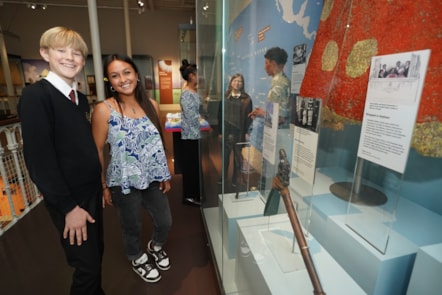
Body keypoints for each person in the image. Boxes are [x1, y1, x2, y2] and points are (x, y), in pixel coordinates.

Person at [18, 27, 105, 295]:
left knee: (95, 256)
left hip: (90, 192)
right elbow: (39, 160)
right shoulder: (36, 97)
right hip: (70, 200)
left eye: (77, 52)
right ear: (45, 53)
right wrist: (69, 207)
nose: (70, 57)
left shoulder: (78, 99)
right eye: (61, 50)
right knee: (86, 267)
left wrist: (98, 186)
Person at [91, 54, 172, 283]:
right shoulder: (104, 109)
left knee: (165, 221)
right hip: (123, 181)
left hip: (152, 178)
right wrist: (104, 186)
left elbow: (158, 143)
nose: (123, 79)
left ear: (136, 74)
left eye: (127, 72)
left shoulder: (152, 105)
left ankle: (155, 246)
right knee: (131, 225)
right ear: (110, 81)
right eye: (115, 76)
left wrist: (164, 174)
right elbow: (97, 150)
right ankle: (137, 256)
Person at [217, 73, 253, 188]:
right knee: (225, 156)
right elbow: (219, 115)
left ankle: (235, 179)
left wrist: (247, 132)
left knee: (238, 158)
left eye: (240, 81)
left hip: (239, 131)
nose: (237, 83)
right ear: (231, 82)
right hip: (227, 131)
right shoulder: (225, 96)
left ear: (242, 84)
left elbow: (249, 117)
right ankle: (223, 177)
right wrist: (220, 132)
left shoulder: (247, 99)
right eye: (235, 80)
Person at [179, 59, 202, 206]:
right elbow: (190, 115)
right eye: (197, 74)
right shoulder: (187, 93)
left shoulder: (194, 91)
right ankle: (189, 196)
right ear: (192, 76)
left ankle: (195, 193)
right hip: (190, 136)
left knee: (195, 166)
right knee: (190, 166)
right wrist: (203, 121)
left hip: (195, 134)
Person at [249, 47, 290, 129]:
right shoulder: (282, 81)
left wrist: (262, 114)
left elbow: (281, 119)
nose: (264, 67)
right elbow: (276, 112)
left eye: (266, 63)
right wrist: (262, 112)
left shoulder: (279, 84)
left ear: (273, 64)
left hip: (278, 135)